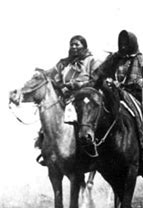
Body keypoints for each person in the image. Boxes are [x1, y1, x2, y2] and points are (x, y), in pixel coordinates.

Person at [92, 30, 143, 161]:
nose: (123, 46)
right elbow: (98, 73)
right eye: (121, 43)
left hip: (136, 92)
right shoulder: (114, 58)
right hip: (114, 92)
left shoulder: (140, 59)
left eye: (126, 43)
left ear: (132, 43)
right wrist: (104, 80)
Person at [35, 35, 102, 165]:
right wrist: (41, 75)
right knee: (49, 116)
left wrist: (79, 85)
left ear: (84, 45)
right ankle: (48, 151)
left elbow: (97, 80)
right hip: (65, 97)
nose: (74, 47)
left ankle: (92, 150)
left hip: (84, 97)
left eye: (77, 44)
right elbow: (51, 73)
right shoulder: (64, 63)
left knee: (84, 120)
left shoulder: (92, 61)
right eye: (72, 44)